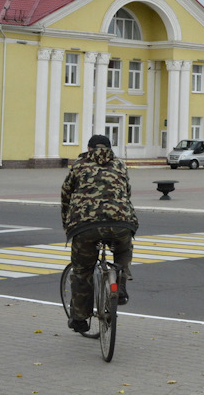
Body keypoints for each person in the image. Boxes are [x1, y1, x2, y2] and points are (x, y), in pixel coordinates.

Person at [61, 134, 139, 333]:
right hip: (121, 223)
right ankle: (120, 285)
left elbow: (66, 194)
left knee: (82, 271)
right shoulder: (120, 165)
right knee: (123, 251)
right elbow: (127, 192)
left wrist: (67, 224)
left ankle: (79, 318)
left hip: (85, 227)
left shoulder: (79, 164)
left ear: (89, 148)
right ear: (110, 148)